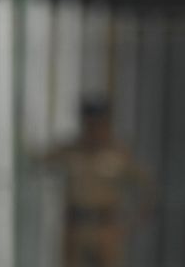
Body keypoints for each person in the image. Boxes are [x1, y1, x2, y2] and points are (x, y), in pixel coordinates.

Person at [44, 98, 152, 267]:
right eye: (89, 123)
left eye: (98, 123)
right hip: (76, 226)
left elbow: (146, 186)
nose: (93, 129)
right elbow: (43, 161)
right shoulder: (70, 149)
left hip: (106, 226)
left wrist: (131, 223)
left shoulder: (118, 153)